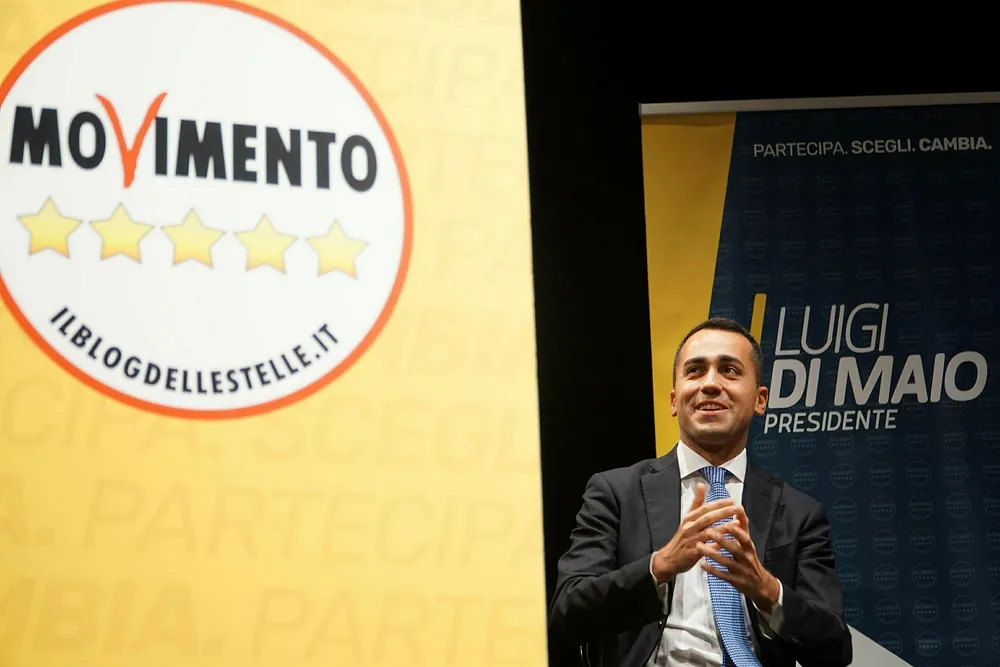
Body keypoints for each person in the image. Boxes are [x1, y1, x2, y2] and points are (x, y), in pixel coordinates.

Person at [548, 318, 852, 667]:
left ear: (760, 399)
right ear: (674, 400)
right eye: (695, 371)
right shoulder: (616, 493)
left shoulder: (800, 514)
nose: (710, 384)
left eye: (729, 370)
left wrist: (766, 589)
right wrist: (660, 566)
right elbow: (567, 613)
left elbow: (835, 650)